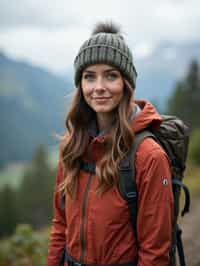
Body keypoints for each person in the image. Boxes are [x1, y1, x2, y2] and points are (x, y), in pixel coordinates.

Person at [47, 22, 174, 266]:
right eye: (89, 77)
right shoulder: (72, 146)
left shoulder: (148, 156)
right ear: (80, 84)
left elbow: (154, 253)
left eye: (111, 75)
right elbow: (60, 225)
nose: (99, 87)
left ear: (126, 83)